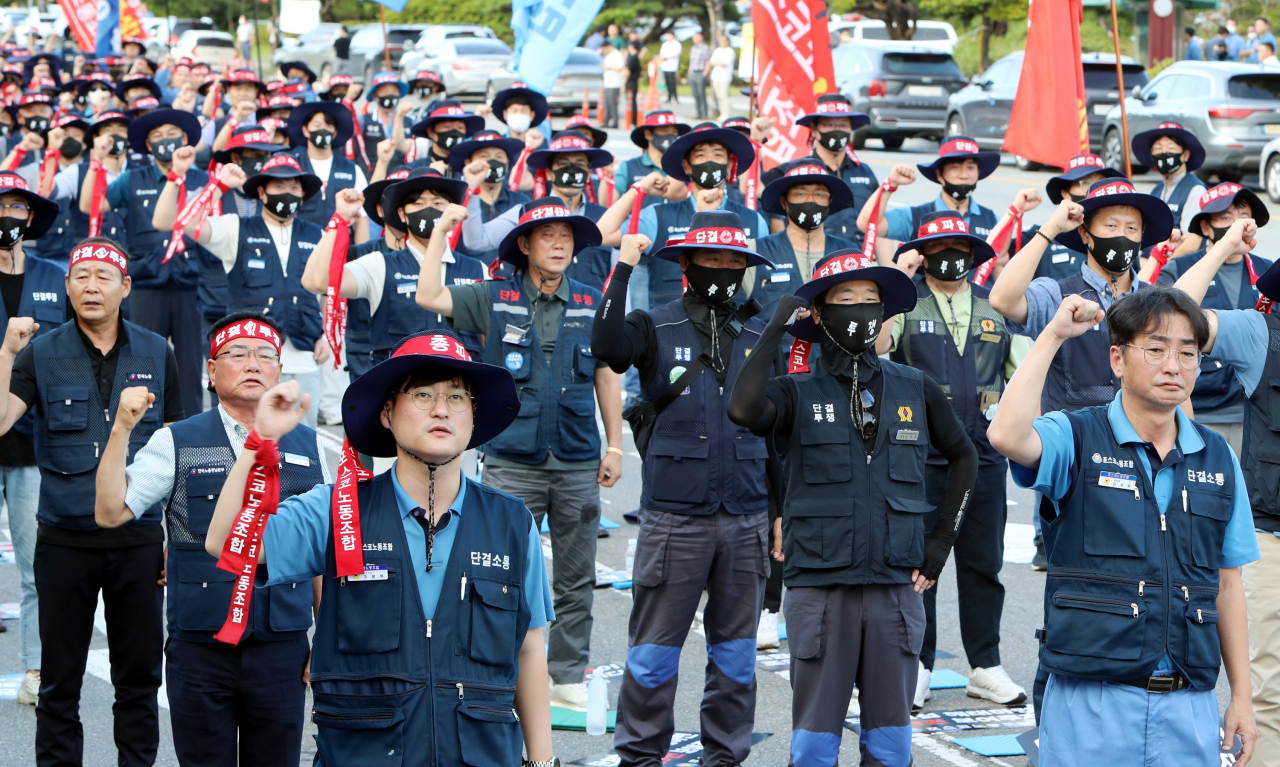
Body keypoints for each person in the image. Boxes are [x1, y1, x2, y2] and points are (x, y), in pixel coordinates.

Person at [201, 330, 558, 767]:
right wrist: (260, 440)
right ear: (387, 414)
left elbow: (528, 649)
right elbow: (226, 543)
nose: (442, 409)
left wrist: (542, 762)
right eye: (422, 395)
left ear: (473, 416)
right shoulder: (336, 510)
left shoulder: (512, 523)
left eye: (458, 397)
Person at [987, 284, 1258, 766]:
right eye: (1155, 349)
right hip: (1089, 700)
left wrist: (1240, 695)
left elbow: (1228, 585)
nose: (1173, 365)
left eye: (1187, 353)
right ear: (1117, 359)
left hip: (1189, 703)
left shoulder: (1217, 458)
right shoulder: (1075, 434)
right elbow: (1006, 434)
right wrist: (1052, 335)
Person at [726, 248, 977, 767]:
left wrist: (940, 542)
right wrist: (777, 325)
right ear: (819, 313)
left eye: (871, 300)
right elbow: (742, 409)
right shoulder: (795, 391)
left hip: (895, 587)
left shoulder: (915, 385)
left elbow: (965, 456)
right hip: (821, 587)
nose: (861, 310)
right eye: (846, 299)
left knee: (891, 744)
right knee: (815, 746)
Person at [414, 198, 624, 713]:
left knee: (575, 577)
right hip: (510, 461)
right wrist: (442, 229)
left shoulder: (593, 300)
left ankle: (567, 674)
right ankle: (495, 672)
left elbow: (607, 375)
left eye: (567, 237)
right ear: (525, 246)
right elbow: (428, 294)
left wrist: (615, 443)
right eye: (547, 236)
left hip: (576, 461)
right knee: (496, 574)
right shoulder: (493, 297)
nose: (558, 244)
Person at [93, 311, 326, 767]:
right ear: (211, 371)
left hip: (282, 647)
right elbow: (109, 511)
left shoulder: (312, 446)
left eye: (265, 355)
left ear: (281, 371)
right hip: (201, 648)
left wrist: (327, 643)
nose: (253, 363)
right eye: (237, 354)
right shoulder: (176, 440)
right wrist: (120, 428)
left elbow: (322, 556)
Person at [596, 212, 776, 767]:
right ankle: (640, 758)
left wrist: (780, 513)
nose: (724, 269)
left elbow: (779, 434)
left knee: (737, 658)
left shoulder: (758, 333)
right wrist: (623, 267)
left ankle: (724, 757)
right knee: (652, 657)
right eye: (712, 259)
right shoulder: (655, 324)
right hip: (675, 519)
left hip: (747, 516)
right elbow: (607, 345)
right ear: (687, 264)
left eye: (734, 261)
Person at [0, 237, 183, 766]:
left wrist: (180, 538)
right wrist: (7, 351)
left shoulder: (156, 351)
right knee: (59, 684)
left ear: (126, 287)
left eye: (104, 276)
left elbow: (177, 450)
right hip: (64, 540)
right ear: (66, 287)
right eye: (81, 276)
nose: (91, 286)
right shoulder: (40, 351)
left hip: (140, 541)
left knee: (140, 681)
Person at [880, 210, 1031, 710]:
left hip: (985, 458)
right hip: (916, 458)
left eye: (960, 246)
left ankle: (985, 665)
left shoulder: (997, 309)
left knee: (983, 564)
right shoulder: (904, 303)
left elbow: (1028, 374)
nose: (951, 255)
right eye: (939, 245)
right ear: (922, 252)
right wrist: (894, 285)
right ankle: (917, 665)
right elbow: (876, 349)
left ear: (974, 253)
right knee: (918, 565)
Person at [1175, 217, 1280, 767]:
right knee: (1267, 693)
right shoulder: (1261, 333)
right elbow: (1174, 311)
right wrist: (1221, 250)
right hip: (1272, 542)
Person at [152, 152, 330, 429]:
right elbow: (185, 223)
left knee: (302, 439)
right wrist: (219, 186)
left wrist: (324, 336)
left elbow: (324, 291)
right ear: (262, 191)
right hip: (249, 356)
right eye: (279, 186)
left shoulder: (317, 234)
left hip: (304, 350)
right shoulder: (235, 228)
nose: (287, 193)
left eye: (294, 187)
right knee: (243, 435)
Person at [79, 107, 208, 423]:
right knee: (142, 359)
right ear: (148, 146)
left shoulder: (205, 180)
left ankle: (190, 430)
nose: (166, 141)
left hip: (192, 283)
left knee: (191, 365)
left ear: (186, 140)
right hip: (147, 283)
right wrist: (96, 162)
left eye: (172, 134)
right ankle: (141, 429)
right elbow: (90, 205)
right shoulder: (132, 179)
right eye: (158, 137)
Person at [0, 171, 69, 707]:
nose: (10, 218)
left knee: (34, 564)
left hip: (32, 440)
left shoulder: (57, 275)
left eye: (18, 208)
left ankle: (36, 668)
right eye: (2, 207)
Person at [301, 167, 486, 361]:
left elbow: (487, 340)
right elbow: (324, 282)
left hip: (459, 385)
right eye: (418, 203)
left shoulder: (478, 270)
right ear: (402, 214)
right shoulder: (379, 264)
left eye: (438, 202)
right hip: (399, 386)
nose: (428, 210)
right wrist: (340, 219)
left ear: (453, 209)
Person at [1155, 183, 1271, 457]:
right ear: (1206, 227)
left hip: (1257, 415)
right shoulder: (1180, 269)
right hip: (1197, 412)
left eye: (1243, 214)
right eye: (1226, 217)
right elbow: (1162, 319)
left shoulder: (1267, 271)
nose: (1236, 224)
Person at [598, 123, 768, 310]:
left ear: (729, 164)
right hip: (668, 333)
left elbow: (763, 284)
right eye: (700, 155)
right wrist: (638, 190)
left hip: (734, 332)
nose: (709, 161)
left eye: (718, 155)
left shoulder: (754, 221)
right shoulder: (659, 216)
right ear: (686, 166)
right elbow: (603, 235)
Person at [457, 131, 616, 291]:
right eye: (563, 163)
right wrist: (472, 187)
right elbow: (476, 242)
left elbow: (620, 274)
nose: (572, 170)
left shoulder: (607, 218)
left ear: (589, 174)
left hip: (592, 311)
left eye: (580, 164)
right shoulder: (526, 213)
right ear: (548, 173)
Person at [766, 94, 878, 246]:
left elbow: (877, 223)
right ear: (813, 129)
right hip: (812, 258)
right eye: (829, 124)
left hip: (857, 260)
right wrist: (755, 141)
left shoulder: (865, 172)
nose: (837, 130)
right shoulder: (794, 170)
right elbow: (752, 190)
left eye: (843, 124)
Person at [752, 160, 858, 316]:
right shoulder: (756, 252)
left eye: (820, 194)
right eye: (800, 193)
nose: (810, 200)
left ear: (829, 202)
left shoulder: (849, 255)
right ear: (784, 202)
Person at [857, 137, 1003, 250]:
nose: (964, 175)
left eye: (971, 167)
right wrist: (891, 184)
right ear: (939, 174)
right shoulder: (915, 217)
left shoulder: (993, 221)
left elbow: (1000, 268)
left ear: (978, 172)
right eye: (955, 167)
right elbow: (866, 224)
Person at [1011, 153, 1125, 284]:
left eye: (1100, 182)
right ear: (1065, 194)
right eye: (1085, 183)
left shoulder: (1119, 237)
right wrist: (1015, 211)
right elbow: (997, 259)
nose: (1093, 189)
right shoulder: (1042, 235)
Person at [443, 129, 530, 267]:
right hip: (469, 283)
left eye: (499, 157)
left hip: (513, 284)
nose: (492, 162)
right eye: (484, 156)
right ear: (468, 163)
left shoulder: (522, 202)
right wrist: (472, 184)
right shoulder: (455, 203)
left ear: (508, 164)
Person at [286, 100, 368, 231]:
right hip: (303, 244)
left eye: (328, 126)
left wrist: (360, 251)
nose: (323, 130)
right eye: (317, 125)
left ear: (335, 133)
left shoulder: (352, 169)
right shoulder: (292, 167)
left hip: (342, 246)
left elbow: (362, 216)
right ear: (305, 130)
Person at [1131, 121, 1204, 253]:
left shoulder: (1195, 190)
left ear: (1185, 155)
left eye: (1171, 148)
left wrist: (1159, 265)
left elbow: (1192, 244)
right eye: (1158, 149)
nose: (1164, 153)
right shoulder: (1156, 191)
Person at [355, 72, 411, 179]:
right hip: (371, 179)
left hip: (403, 180)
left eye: (394, 91)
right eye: (385, 91)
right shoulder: (363, 120)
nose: (390, 95)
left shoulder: (410, 121)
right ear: (374, 96)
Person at [408, 99, 485, 174]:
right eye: (447, 126)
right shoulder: (415, 171)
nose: (454, 131)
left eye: (460, 127)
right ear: (430, 132)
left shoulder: (473, 171)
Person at [708, 36, 735, 121]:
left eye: (724, 40)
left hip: (725, 77)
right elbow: (711, 62)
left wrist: (717, 63)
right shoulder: (717, 50)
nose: (722, 42)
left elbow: (724, 64)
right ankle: (722, 113)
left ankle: (726, 113)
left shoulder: (730, 51)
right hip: (716, 76)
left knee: (724, 96)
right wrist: (718, 63)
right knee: (719, 97)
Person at [601, 42, 625, 129]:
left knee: (612, 104)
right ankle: (605, 121)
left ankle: (615, 122)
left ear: (608, 46)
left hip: (615, 83)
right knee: (606, 103)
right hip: (608, 83)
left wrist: (608, 68)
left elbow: (621, 67)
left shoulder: (617, 54)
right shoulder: (608, 55)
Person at [688, 32, 710, 120]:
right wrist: (690, 72)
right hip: (693, 72)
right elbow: (691, 61)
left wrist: (705, 73)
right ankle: (698, 113)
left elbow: (708, 61)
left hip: (701, 72)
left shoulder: (705, 48)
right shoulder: (693, 48)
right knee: (695, 94)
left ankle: (704, 114)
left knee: (701, 94)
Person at [659, 33, 682, 103]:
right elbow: (661, 54)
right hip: (665, 66)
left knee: (672, 82)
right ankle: (669, 96)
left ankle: (675, 96)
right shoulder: (665, 44)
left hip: (672, 66)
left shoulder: (676, 44)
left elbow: (676, 54)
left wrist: (668, 57)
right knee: (667, 82)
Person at [625, 42, 642, 126]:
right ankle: (633, 120)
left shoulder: (632, 58)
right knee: (632, 101)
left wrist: (623, 82)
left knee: (631, 101)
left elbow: (628, 72)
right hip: (634, 81)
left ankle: (632, 120)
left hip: (631, 81)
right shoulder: (636, 57)